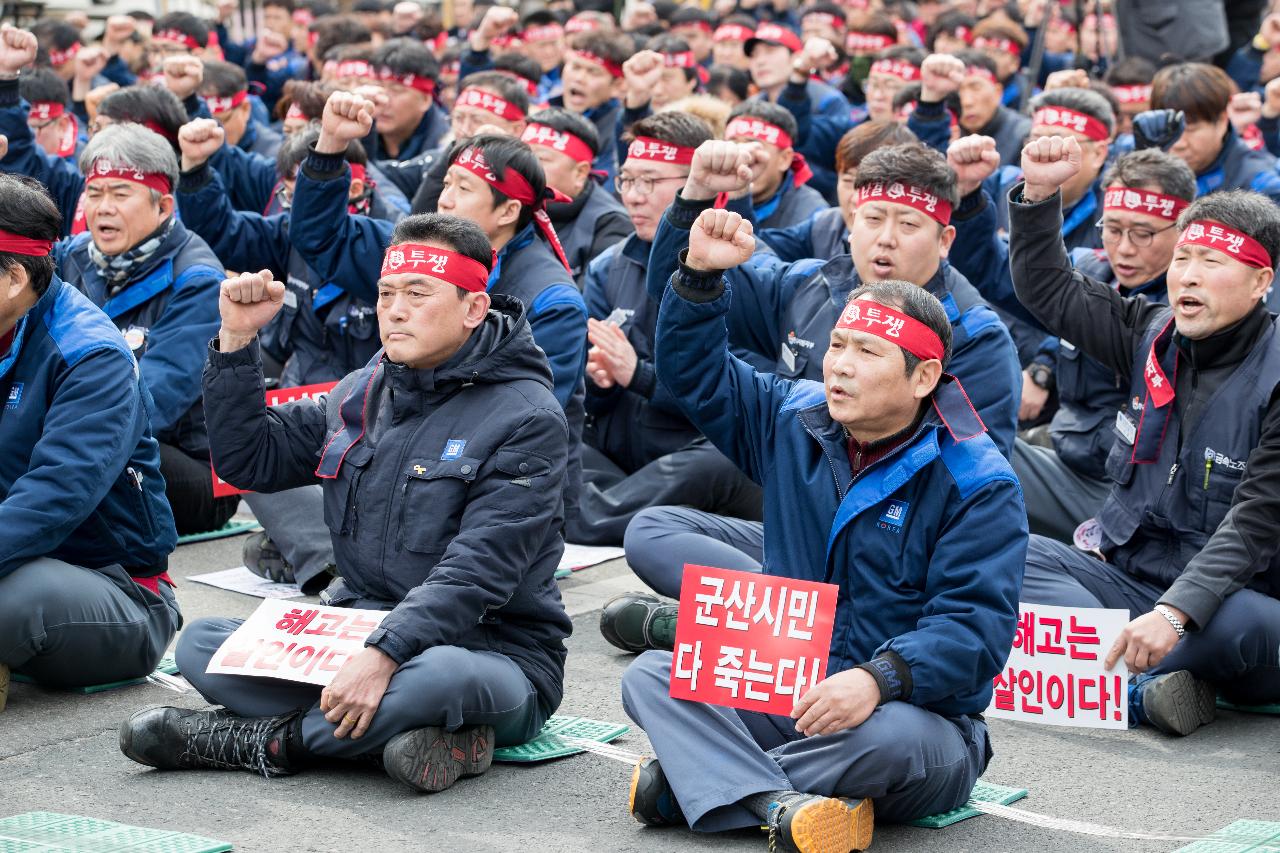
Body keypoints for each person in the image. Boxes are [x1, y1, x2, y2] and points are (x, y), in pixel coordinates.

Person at [119, 214, 572, 792]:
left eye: (418, 293)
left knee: (432, 679)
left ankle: (255, 741)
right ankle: (427, 738)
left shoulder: (528, 416)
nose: (396, 310)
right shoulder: (365, 387)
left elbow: (478, 571)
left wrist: (384, 654)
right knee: (206, 647)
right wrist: (236, 342)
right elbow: (248, 461)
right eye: (386, 293)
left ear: (473, 309)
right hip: (351, 627)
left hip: (488, 649)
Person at [619, 208, 1024, 850]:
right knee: (651, 676)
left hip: (904, 714)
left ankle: (701, 784)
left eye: (867, 352)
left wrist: (876, 679)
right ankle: (775, 803)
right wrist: (697, 276)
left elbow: (975, 631)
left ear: (924, 378)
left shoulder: (978, 480)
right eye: (837, 345)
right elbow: (694, 375)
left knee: (897, 746)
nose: (839, 366)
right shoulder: (794, 415)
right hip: (786, 684)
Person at [1010, 134, 1280, 736]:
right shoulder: (1149, 329)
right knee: (1014, 552)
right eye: (1183, 259)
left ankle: (1100, 669)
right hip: (1130, 576)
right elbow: (1049, 290)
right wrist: (1038, 194)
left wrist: (1177, 613)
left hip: (1227, 597)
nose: (1188, 276)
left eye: (1212, 264)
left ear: (1261, 282)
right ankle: (1138, 685)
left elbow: (1257, 523)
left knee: (1246, 624)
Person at [949, 138, 1198, 542]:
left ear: (1184, 228)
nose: (1124, 248)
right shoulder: (1086, 269)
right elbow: (990, 268)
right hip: (1067, 452)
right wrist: (967, 197)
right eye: (1113, 229)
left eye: (1144, 234)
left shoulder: (1191, 310)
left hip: (1130, 491)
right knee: (952, 442)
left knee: (970, 469)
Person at [0, 172, 181, 691]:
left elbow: (54, 497)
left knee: (16, 598)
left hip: (114, 589)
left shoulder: (90, 354)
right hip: (17, 556)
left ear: (14, 278)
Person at [571, 113, 761, 546]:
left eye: (651, 182)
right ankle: (602, 508)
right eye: (627, 180)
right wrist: (599, 377)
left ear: (697, 184)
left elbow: (739, 393)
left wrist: (637, 373)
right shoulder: (609, 266)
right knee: (550, 437)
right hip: (623, 454)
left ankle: (583, 516)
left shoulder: (741, 262)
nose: (634, 197)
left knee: (717, 463)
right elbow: (592, 385)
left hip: (691, 447)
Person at [55, 123, 233, 535]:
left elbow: (154, 405)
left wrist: (55, 429)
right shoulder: (72, 255)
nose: (103, 208)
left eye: (120, 194)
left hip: (182, 462)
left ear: (164, 206)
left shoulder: (198, 281)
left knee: (88, 453)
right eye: (95, 194)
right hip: (85, 431)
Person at [522, 108, 631, 283]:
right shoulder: (512, 204)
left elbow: (585, 304)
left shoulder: (611, 225)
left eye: (540, 160)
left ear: (580, 173)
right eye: (523, 156)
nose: (525, 168)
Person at [1152, 62, 1280, 204]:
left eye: (1190, 129)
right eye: (1168, 129)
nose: (1178, 143)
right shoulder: (1138, 155)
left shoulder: (1261, 185)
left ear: (1222, 120)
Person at [722, 100, 826, 231]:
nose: (741, 156)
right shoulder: (708, 194)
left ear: (785, 159)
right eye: (733, 144)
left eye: (753, 146)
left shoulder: (812, 215)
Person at [955, 49, 1029, 167]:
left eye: (975, 88)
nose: (966, 101)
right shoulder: (944, 132)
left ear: (998, 92)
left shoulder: (1023, 135)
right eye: (956, 91)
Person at [200, 59, 282, 159]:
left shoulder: (273, 156)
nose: (209, 131)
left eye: (219, 123)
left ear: (245, 108)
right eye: (199, 121)